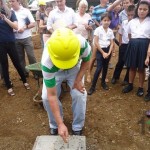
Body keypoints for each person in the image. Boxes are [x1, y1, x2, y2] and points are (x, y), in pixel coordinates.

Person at [41, 28, 91, 142]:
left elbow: (87, 60)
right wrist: (60, 123)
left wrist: (78, 80)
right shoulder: (47, 62)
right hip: (55, 71)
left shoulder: (82, 44)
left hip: (74, 69)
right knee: (45, 97)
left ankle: (77, 126)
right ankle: (55, 124)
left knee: (80, 94)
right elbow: (52, 95)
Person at [0, 0, 30, 96]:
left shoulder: (10, 13)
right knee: (4, 65)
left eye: (1, 2)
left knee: (17, 62)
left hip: (11, 42)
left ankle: (24, 81)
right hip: (0, 44)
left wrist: (5, 18)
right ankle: (9, 86)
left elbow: (16, 27)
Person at [122, 1, 150, 97]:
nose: (142, 11)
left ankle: (141, 87)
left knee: (141, 68)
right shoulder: (132, 22)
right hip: (133, 45)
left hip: (144, 46)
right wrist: (133, 44)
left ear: (148, 11)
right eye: (140, 9)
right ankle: (130, 84)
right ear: (137, 9)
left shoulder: (149, 21)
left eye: (145, 9)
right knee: (132, 67)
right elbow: (129, 34)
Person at [88, 12, 114, 95]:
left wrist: (109, 52)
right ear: (101, 21)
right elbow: (95, 42)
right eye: (104, 20)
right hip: (100, 50)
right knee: (99, 68)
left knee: (105, 67)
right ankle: (93, 86)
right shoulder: (98, 30)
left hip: (107, 50)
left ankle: (103, 82)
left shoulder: (110, 31)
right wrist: (103, 52)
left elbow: (112, 43)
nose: (106, 22)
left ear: (110, 21)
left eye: (108, 20)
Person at [9, 0, 37, 78]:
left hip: (26, 37)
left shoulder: (26, 11)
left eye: (13, 1)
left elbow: (33, 23)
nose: (11, 3)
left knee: (31, 56)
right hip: (15, 38)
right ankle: (24, 73)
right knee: (20, 57)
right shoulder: (9, 12)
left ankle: (35, 73)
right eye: (10, 1)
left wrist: (24, 28)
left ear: (18, 1)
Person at [111, 5, 135, 85]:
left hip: (132, 45)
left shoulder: (135, 23)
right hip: (124, 44)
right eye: (129, 15)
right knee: (120, 61)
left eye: (132, 15)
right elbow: (120, 33)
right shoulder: (124, 22)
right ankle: (115, 77)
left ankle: (126, 79)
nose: (130, 17)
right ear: (126, 14)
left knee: (129, 62)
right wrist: (120, 43)